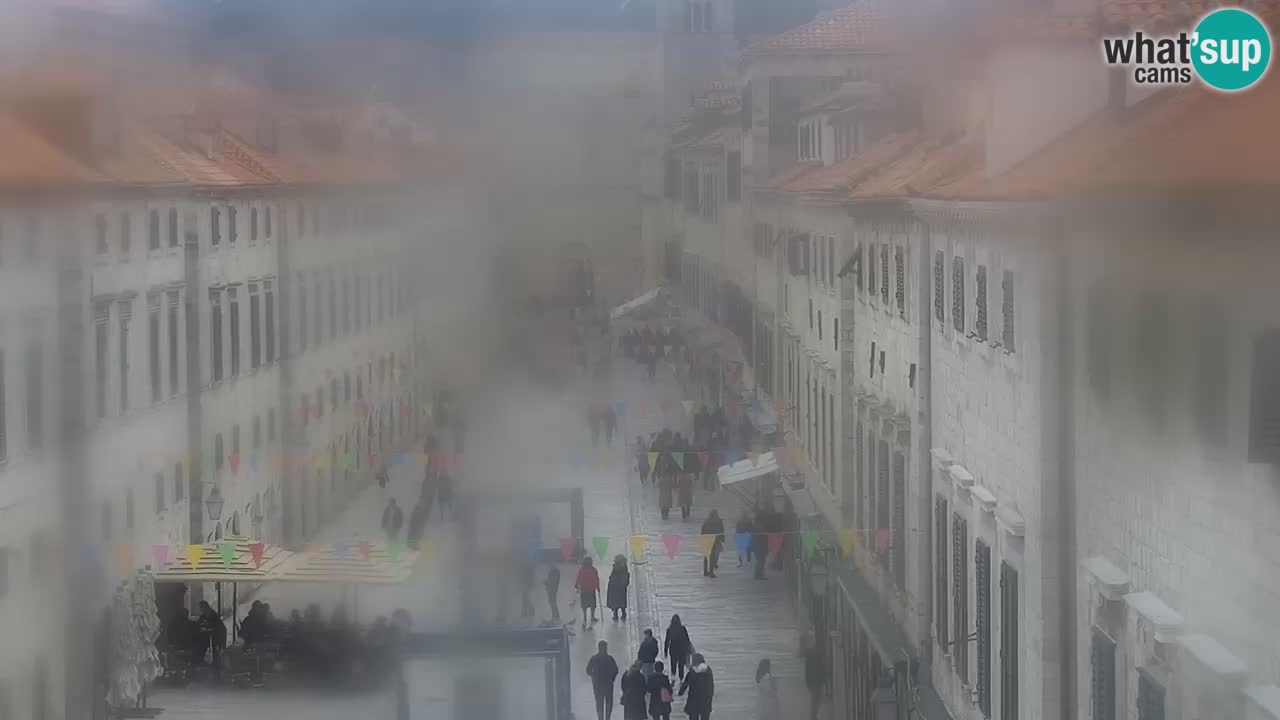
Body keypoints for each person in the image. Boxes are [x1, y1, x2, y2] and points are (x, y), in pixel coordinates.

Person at [586, 640, 620, 720]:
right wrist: (612, 678)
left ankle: (600, 718)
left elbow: (588, 670)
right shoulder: (609, 658)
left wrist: (594, 676)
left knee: (599, 704)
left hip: (598, 686)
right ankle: (607, 718)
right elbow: (616, 670)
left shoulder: (594, 659)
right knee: (608, 704)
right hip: (608, 685)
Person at [678, 653, 714, 720]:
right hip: (706, 698)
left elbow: (686, 683)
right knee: (705, 716)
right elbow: (711, 684)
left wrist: (680, 692)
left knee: (693, 716)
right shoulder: (708, 670)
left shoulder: (692, 671)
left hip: (694, 697)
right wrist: (710, 695)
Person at [663, 614, 693, 680]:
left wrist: (665, 651)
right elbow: (687, 640)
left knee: (673, 664)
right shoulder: (683, 628)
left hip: (673, 650)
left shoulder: (669, 630)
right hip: (682, 650)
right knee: (681, 665)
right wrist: (688, 649)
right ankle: (681, 678)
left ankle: (673, 677)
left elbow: (667, 641)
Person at [803, 637, 826, 720]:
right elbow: (821, 668)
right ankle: (813, 716)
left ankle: (813, 715)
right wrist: (824, 679)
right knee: (816, 699)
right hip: (817, 681)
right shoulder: (817, 656)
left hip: (813, 681)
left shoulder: (810, 656)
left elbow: (807, 670)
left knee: (815, 699)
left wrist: (807, 682)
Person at [575, 556, 601, 626]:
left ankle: (585, 617)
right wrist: (598, 587)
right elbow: (596, 579)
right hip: (591, 589)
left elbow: (578, 578)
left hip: (584, 589)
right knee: (592, 604)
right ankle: (592, 617)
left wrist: (576, 585)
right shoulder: (594, 570)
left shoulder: (581, 570)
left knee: (584, 604)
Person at [701, 510, 725, 578]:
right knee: (713, 555)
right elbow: (721, 530)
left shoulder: (706, 521)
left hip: (707, 539)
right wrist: (722, 538)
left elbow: (703, 529)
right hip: (716, 539)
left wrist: (702, 537)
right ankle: (711, 571)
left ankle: (706, 571)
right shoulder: (719, 521)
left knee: (707, 556)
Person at [607, 555, 630, 621]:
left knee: (616, 602)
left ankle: (615, 614)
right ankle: (623, 614)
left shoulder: (616, 568)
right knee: (622, 601)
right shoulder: (624, 568)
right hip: (622, 588)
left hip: (615, 588)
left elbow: (612, 577)